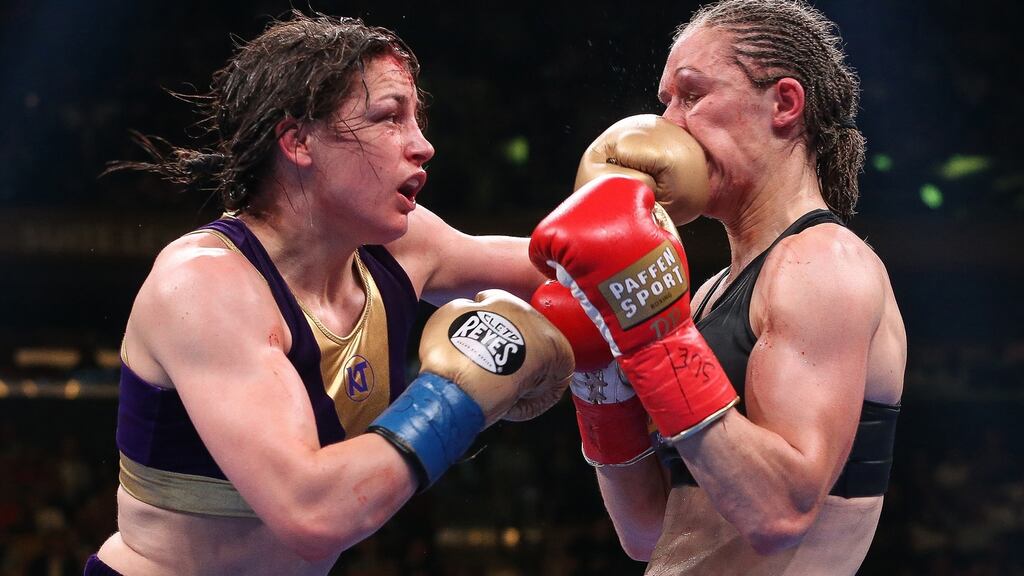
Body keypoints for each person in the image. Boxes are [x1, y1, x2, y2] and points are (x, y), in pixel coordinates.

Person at [88, 11, 574, 576]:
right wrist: (456, 393)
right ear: (298, 142)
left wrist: (640, 211)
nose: (422, 146)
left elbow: (568, 270)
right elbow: (311, 513)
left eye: (417, 119)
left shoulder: (402, 245)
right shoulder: (204, 286)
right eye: (389, 117)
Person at [529, 1, 906, 574]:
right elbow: (650, 530)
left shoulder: (823, 264)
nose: (669, 125)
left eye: (692, 95)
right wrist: (599, 379)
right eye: (666, 103)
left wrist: (655, 340)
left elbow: (778, 511)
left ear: (783, 103)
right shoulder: (705, 295)